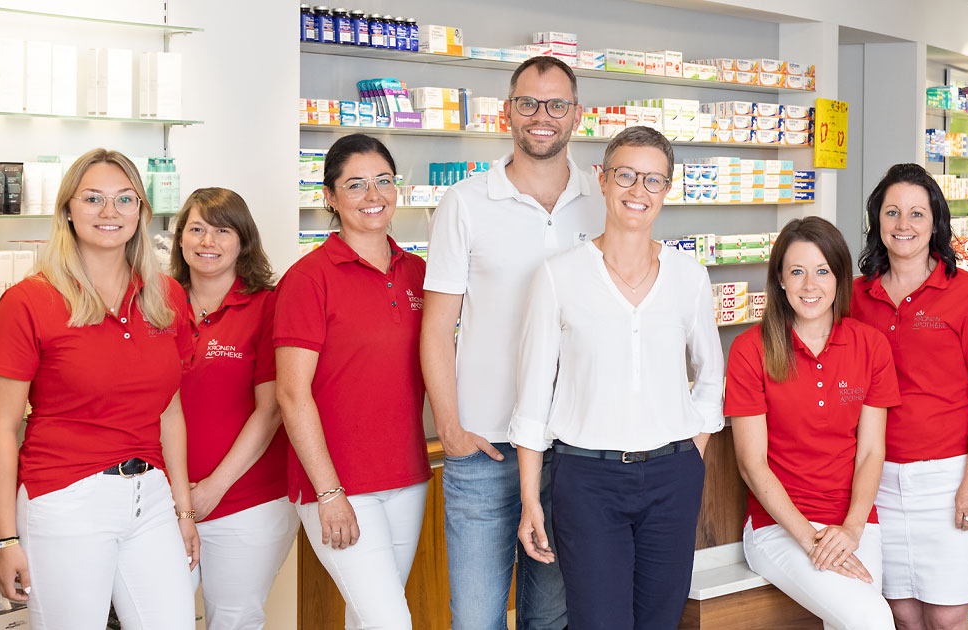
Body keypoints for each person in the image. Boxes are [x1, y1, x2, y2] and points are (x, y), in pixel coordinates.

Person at [507, 127, 725, 630]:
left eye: (653, 180)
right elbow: (534, 394)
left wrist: (692, 450)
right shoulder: (560, 275)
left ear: (667, 190)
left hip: (673, 477)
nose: (638, 190)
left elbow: (711, 378)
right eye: (626, 175)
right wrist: (529, 499)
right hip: (587, 480)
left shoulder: (687, 275)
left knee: (659, 620)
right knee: (598, 621)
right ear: (602, 180)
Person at [0, 148, 198, 629]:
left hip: (151, 498)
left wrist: (183, 510)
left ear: (141, 210)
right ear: (68, 210)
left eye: (125, 199)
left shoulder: (166, 298)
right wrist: (5, 539)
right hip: (65, 500)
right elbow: (0, 430)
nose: (109, 212)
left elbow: (171, 413)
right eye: (93, 199)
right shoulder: (29, 301)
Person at [420, 55, 592, 630]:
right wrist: (451, 429)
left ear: (577, 115)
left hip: (570, 446)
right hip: (485, 447)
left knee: (551, 616)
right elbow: (437, 328)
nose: (542, 116)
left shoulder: (605, 199)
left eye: (556, 104)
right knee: (476, 618)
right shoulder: (465, 203)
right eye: (528, 103)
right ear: (507, 112)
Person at [275, 133, 431, 629]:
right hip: (339, 483)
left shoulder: (419, 273)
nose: (374, 195)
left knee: (369, 620)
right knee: (390, 623)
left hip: (407, 475)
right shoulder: (308, 278)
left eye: (384, 181)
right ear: (330, 196)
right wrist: (328, 493)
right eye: (357, 184)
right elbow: (290, 393)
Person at [848, 164, 968, 630]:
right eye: (892, 212)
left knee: (948, 612)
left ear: (935, 222)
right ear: (877, 220)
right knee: (899, 610)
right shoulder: (856, 296)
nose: (904, 225)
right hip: (876, 476)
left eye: (917, 214)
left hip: (948, 475)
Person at [727, 217, 901, 630]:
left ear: (841, 278)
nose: (810, 285)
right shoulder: (750, 349)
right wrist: (811, 540)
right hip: (779, 529)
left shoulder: (870, 345)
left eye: (822, 271)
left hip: (855, 523)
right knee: (872, 620)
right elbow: (752, 463)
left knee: (855, 620)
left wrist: (852, 529)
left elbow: (872, 451)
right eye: (797, 272)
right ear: (780, 281)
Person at [171, 187, 296, 630]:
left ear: (243, 240)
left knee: (234, 621)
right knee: (157, 618)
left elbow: (272, 410)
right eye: (197, 229)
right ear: (180, 239)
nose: (208, 241)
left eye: (222, 230)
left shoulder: (269, 306)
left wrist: (212, 489)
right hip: (165, 500)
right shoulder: (156, 302)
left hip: (247, 501)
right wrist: (183, 497)